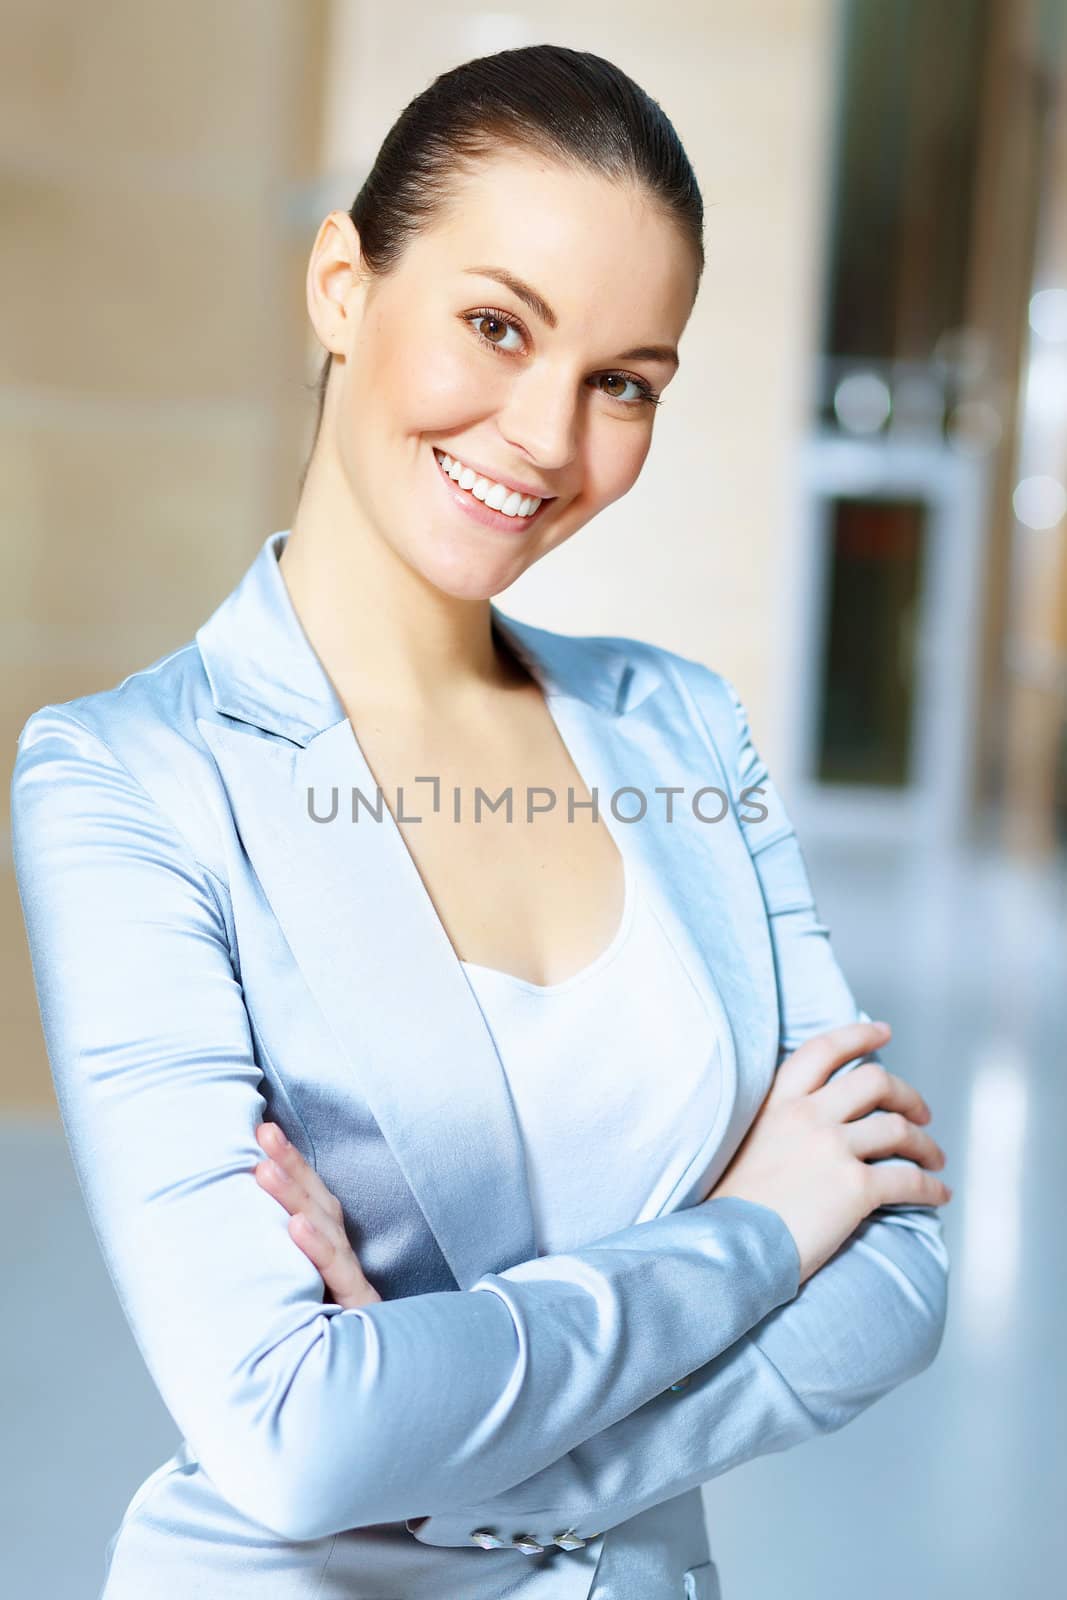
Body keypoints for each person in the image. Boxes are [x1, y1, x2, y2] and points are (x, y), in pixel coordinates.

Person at [10, 44, 951, 1600]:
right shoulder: (128, 779)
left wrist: (433, 1434)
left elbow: (900, 1271)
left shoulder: (678, 725)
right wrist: (760, 1229)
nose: (542, 436)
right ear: (339, 283)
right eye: (496, 325)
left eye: (623, 384)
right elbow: (294, 1438)